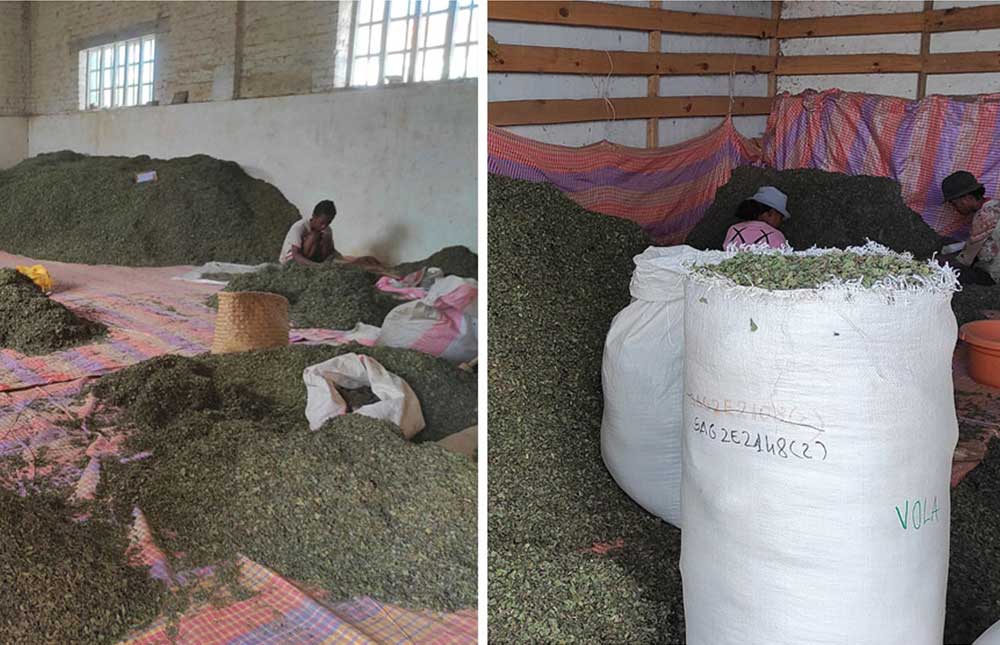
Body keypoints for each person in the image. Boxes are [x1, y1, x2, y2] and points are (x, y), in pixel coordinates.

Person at [941, 171, 1000, 284]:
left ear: (966, 198)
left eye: (954, 203)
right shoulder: (995, 205)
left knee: (951, 274)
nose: (955, 208)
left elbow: (974, 258)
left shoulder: (982, 217)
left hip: (996, 276)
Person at [723, 186, 791, 250]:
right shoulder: (776, 235)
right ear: (771, 213)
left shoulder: (733, 230)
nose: (780, 222)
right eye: (780, 218)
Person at [280, 200, 340, 266]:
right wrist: (318, 266)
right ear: (314, 216)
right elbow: (295, 255)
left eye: (328, 223)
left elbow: (332, 252)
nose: (324, 226)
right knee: (314, 236)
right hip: (291, 261)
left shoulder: (327, 229)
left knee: (326, 236)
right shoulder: (299, 227)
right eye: (322, 223)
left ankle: (316, 264)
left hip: (312, 260)